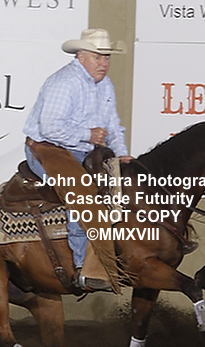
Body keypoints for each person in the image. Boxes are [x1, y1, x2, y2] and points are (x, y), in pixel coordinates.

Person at [23, 28, 133, 292]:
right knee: (82, 194)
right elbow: (50, 127)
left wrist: (121, 153)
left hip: (85, 150)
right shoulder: (65, 82)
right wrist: (88, 134)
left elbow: (113, 126)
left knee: (129, 183)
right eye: (98, 57)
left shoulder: (105, 85)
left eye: (107, 57)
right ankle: (84, 268)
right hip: (49, 148)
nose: (104, 63)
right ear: (81, 56)